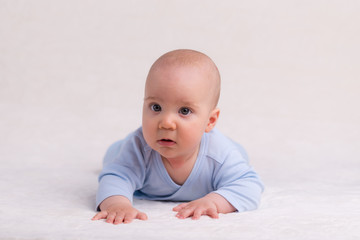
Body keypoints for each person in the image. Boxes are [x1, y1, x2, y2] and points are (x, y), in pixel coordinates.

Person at [92, 49, 264, 224]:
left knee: (239, 154)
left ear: (210, 121)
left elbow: (249, 187)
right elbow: (115, 178)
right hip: (123, 149)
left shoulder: (218, 154)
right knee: (113, 156)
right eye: (156, 107)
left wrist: (214, 201)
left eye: (184, 111)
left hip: (224, 149)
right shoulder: (138, 147)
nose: (166, 123)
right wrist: (117, 204)